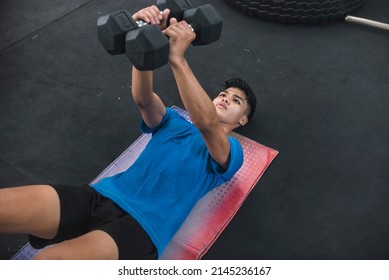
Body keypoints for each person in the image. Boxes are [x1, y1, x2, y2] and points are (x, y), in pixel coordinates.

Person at [0, 6, 256, 260]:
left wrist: (177, 58)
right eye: (223, 94)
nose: (225, 99)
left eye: (236, 101)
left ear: (242, 119)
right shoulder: (175, 123)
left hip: (141, 229)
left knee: (48, 263)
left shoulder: (233, 153)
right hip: (100, 196)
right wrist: (145, 40)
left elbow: (208, 124)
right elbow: (143, 99)